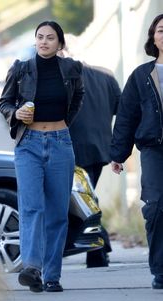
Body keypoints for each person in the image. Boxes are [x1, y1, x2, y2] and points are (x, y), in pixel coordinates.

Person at [0, 21, 84, 293]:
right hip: (29, 145)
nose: (44, 42)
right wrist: (16, 113)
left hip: (60, 143)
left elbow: (78, 97)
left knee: (58, 212)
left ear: (60, 43)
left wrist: (63, 123)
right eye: (40, 37)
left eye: (50, 38)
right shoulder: (21, 69)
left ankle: (52, 276)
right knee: (32, 207)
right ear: (35, 41)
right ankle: (32, 268)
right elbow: (5, 103)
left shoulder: (72, 69)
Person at [110, 14, 163, 289]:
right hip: (155, 150)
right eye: (161, 30)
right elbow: (127, 116)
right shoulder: (141, 75)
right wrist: (119, 154)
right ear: (153, 37)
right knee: (155, 208)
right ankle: (161, 270)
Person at [60, 44, 121, 267]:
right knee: (86, 199)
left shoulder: (66, 76)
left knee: (80, 201)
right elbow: (120, 109)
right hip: (101, 149)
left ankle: (99, 245)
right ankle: (97, 253)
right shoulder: (106, 75)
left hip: (74, 148)